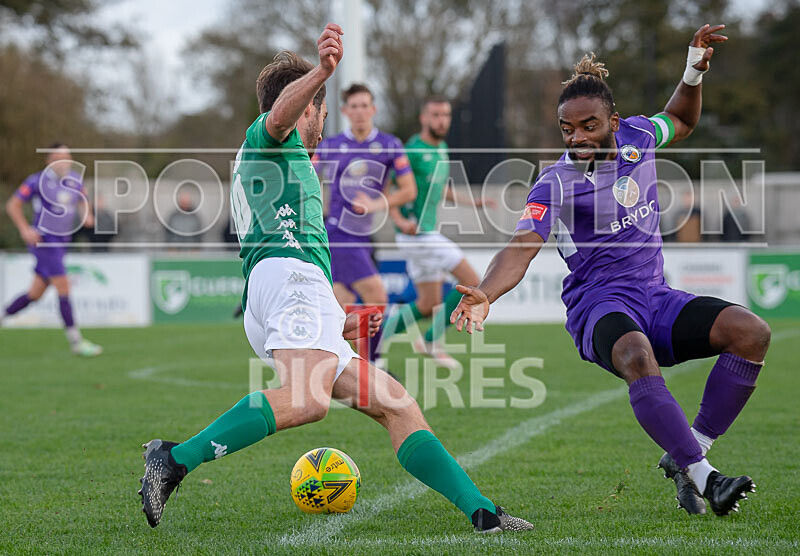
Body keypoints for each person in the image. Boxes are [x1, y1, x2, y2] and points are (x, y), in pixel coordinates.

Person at [138, 24, 532, 534]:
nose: (324, 121)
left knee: (397, 405)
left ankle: (482, 511)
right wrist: (323, 71)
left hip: (291, 289)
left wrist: (330, 316)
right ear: (309, 107)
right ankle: (175, 457)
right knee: (307, 400)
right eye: (322, 109)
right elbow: (279, 115)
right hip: (288, 281)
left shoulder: (284, 158)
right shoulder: (267, 138)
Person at [451, 26, 768, 517]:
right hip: (598, 307)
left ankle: (691, 451)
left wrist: (691, 72)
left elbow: (681, 120)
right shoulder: (554, 183)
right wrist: (487, 294)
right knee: (637, 354)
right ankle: (707, 478)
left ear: (614, 121)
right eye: (567, 129)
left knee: (751, 333)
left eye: (589, 126)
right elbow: (520, 247)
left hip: (656, 298)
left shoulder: (640, 135)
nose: (577, 138)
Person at [382, 96, 494, 368]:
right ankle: (430, 340)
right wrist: (398, 218)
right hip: (417, 235)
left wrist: (473, 202)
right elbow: (386, 186)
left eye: (445, 115)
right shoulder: (412, 150)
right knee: (473, 281)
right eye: (435, 115)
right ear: (423, 118)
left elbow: (439, 188)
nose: (441, 120)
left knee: (426, 303)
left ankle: (373, 338)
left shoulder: (441, 148)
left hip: (423, 234)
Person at [312, 82, 417, 360]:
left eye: (364, 106)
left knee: (342, 304)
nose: (359, 112)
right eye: (354, 106)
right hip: (338, 231)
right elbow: (306, 176)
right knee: (377, 296)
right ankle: (374, 362)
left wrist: (376, 203)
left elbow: (409, 190)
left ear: (374, 109)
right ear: (345, 111)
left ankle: (341, 363)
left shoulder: (389, 145)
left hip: (363, 234)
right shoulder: (332, 145)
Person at [2, 143, 102, 356]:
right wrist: (24, 229)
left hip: (62, 241)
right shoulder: (36, 180)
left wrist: (87, 214)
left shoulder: (75, 179)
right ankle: (76, 342)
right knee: (63, 286)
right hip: (44, 240)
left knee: (35, 294)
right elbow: (12, 205)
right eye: (58, 157)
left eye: (66, 157)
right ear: (48, 161)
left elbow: (83, 199)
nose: (63, 161)